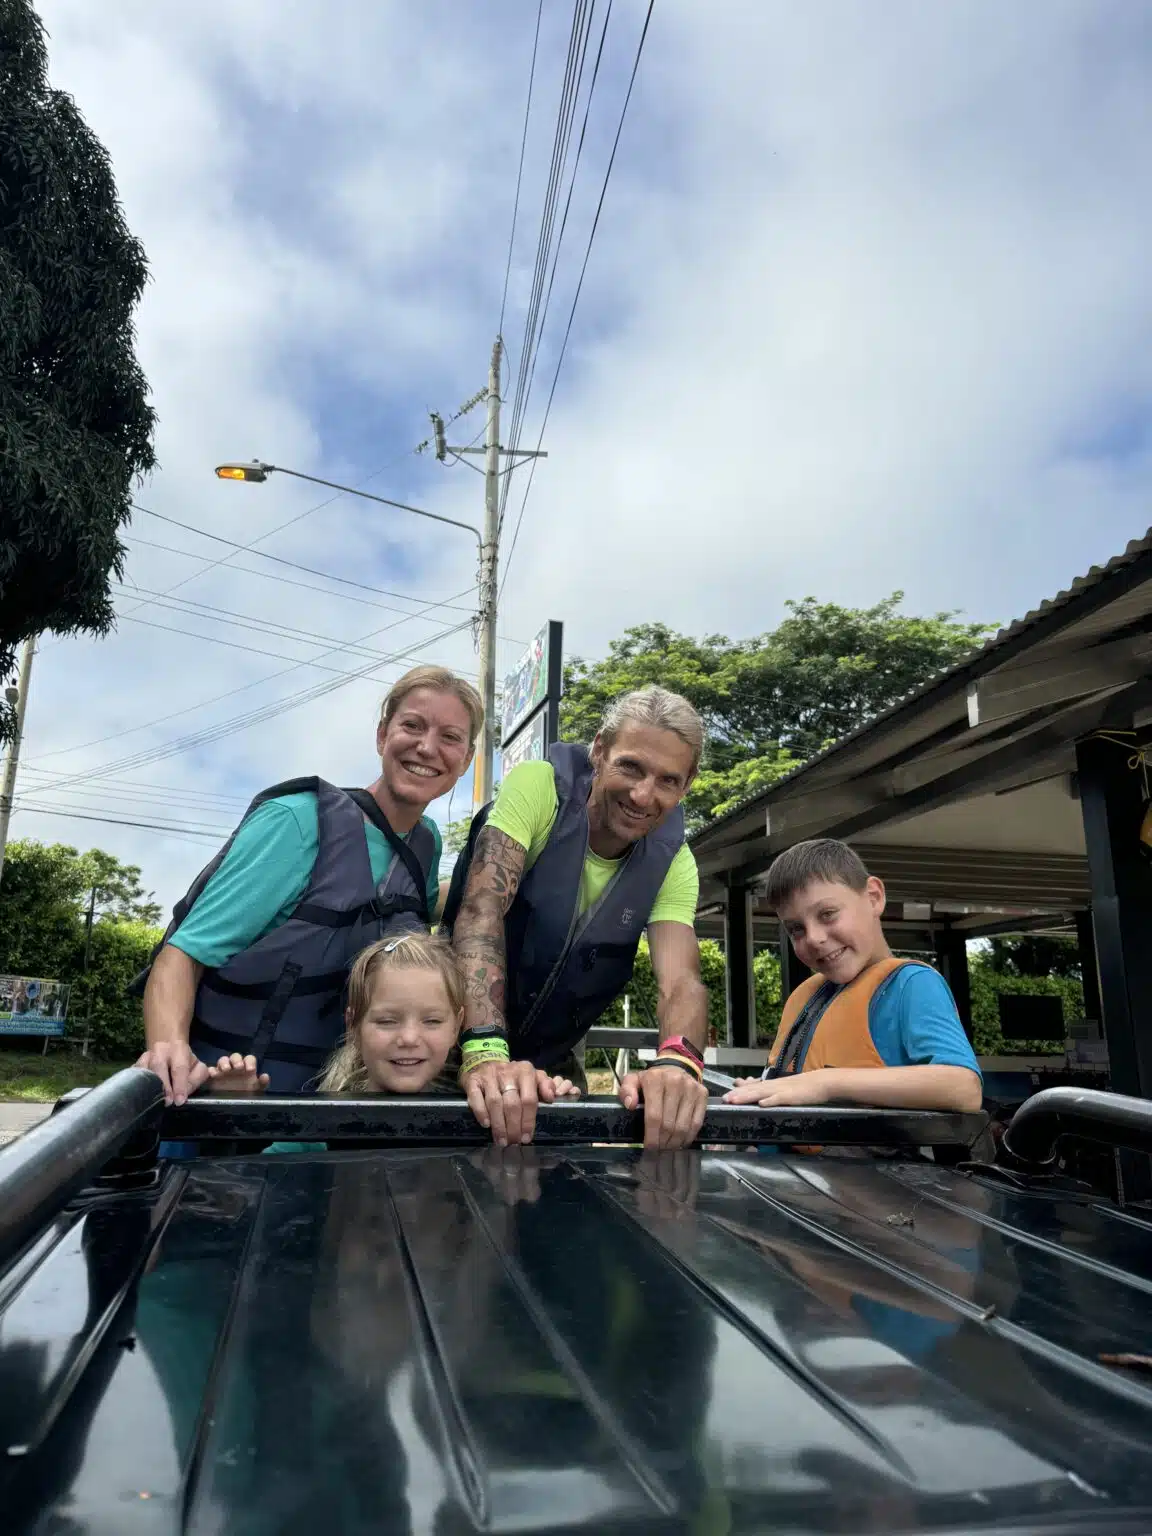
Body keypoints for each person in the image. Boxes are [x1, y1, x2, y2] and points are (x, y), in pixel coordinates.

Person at [136, 665, 482, 1103]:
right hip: (225, 1108)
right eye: (412, 726)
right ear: (382, 736)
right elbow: (183, 954)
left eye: (450, 737)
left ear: (467, 759)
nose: (427, 747)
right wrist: (170, 1051)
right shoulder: (297, 822)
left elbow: (420, 905)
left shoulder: (425, 843)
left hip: (334, 1120)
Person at [445, 685, 711, 1151]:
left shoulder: (675, 862)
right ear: (599, 750)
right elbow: (481, 908)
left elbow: (680, 981)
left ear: (685, 787)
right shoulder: (539, 788)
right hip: (455, 1046)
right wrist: (485, 1051)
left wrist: (678, 1065)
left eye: (667, 781)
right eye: (630, 766)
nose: (643, 794)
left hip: (553, 1065)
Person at [206, 933, 578, 1152]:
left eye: (432, 1021)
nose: (409, 1038)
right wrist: (231, 1119)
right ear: (353, 1024)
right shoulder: (317, 1128)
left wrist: (543, 1104)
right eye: (386, 1021)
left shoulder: (482, 1114)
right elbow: (241, 1194)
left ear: (457, 1027)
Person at [723, 839, 983, 1112]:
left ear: (874, 898)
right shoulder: (806, 997)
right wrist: (767, 1087)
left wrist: (825, 1083)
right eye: (796, 929)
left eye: (827, 914)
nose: (814, 938)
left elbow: (963, 1088)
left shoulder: (911, 985)